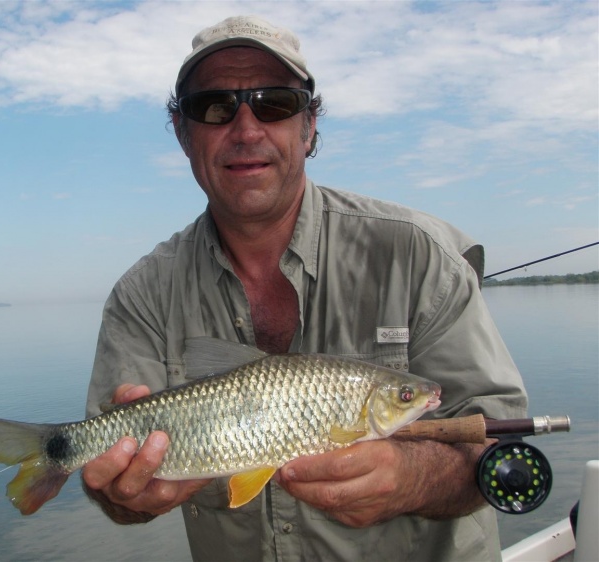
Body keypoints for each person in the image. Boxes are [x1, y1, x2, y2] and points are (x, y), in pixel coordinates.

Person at [82, 15, 527, 561]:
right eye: (216, 106)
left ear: (309, 125)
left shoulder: (418, 254)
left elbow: (503, 445)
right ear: (183, 133)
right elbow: (115, 492)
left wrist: (412, 476)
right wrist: (124, 494)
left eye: (274, 103)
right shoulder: (140, 298)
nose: (247, 130)